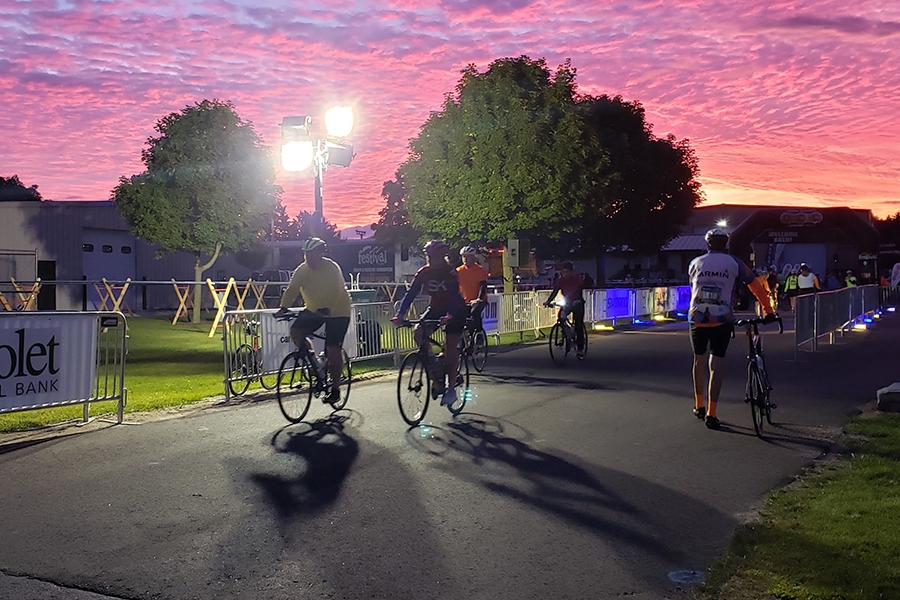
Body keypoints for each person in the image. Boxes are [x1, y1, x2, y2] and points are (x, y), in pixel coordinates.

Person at [688, 229, 776, 430]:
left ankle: (698, 405)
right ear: (725, 244)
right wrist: (768, 311)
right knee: (716, 366)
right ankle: (712, 413)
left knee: (698, 361)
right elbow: (756, 287)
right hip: (722, 317)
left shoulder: (695, 262)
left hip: (697, 316)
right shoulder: (734, 263)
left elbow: (692, 286)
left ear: (707, 244)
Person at [275, 237, 352, 405]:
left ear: (320, 253)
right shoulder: (302, 270)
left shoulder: (332, 268)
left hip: (338, 311)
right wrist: (283, 307)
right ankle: (316, 363)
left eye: (311, 255)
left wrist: (327, 308)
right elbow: (292, 289)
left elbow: (336, 291)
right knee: (296, 332)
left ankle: (336, 389)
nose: (308, 258)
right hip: (313, 310)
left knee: (333, 349)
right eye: (306, 255)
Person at [392, 240, 467, 408]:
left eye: (434, 257)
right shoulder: (424, 272)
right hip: (436, 308)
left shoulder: (450, 273)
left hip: (456, 309)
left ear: (442, 257)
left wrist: (450, 315)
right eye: (429, 257)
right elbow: (411, 294)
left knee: (450, 345)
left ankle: (451, 390)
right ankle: (436, 375)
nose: (431, 260)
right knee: (419, 333)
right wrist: (400, 314)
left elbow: (455, 296)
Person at [543, 262, 587, 360]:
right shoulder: (561, 281)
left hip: (577, 303)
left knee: (578, 324)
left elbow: (579, 290)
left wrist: (577, 300)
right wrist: (548, 301)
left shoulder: (577, 279)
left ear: (571, 271)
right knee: (561, 317)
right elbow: (555, 291)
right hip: (567, 303)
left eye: (567, 271)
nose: (565, 274)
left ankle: (580, 348)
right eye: (563, 272)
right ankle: (565, 333)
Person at [457, 245, 489, 330]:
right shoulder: (459, 271)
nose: (465, 259)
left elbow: (483, 286)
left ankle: (478, 333)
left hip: (479, 300)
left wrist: (478, 299)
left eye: (468, 257)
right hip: (465, 301)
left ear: (473, 257)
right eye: (463, 256)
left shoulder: (479, 270)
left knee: (474, 313)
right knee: (458, 316)